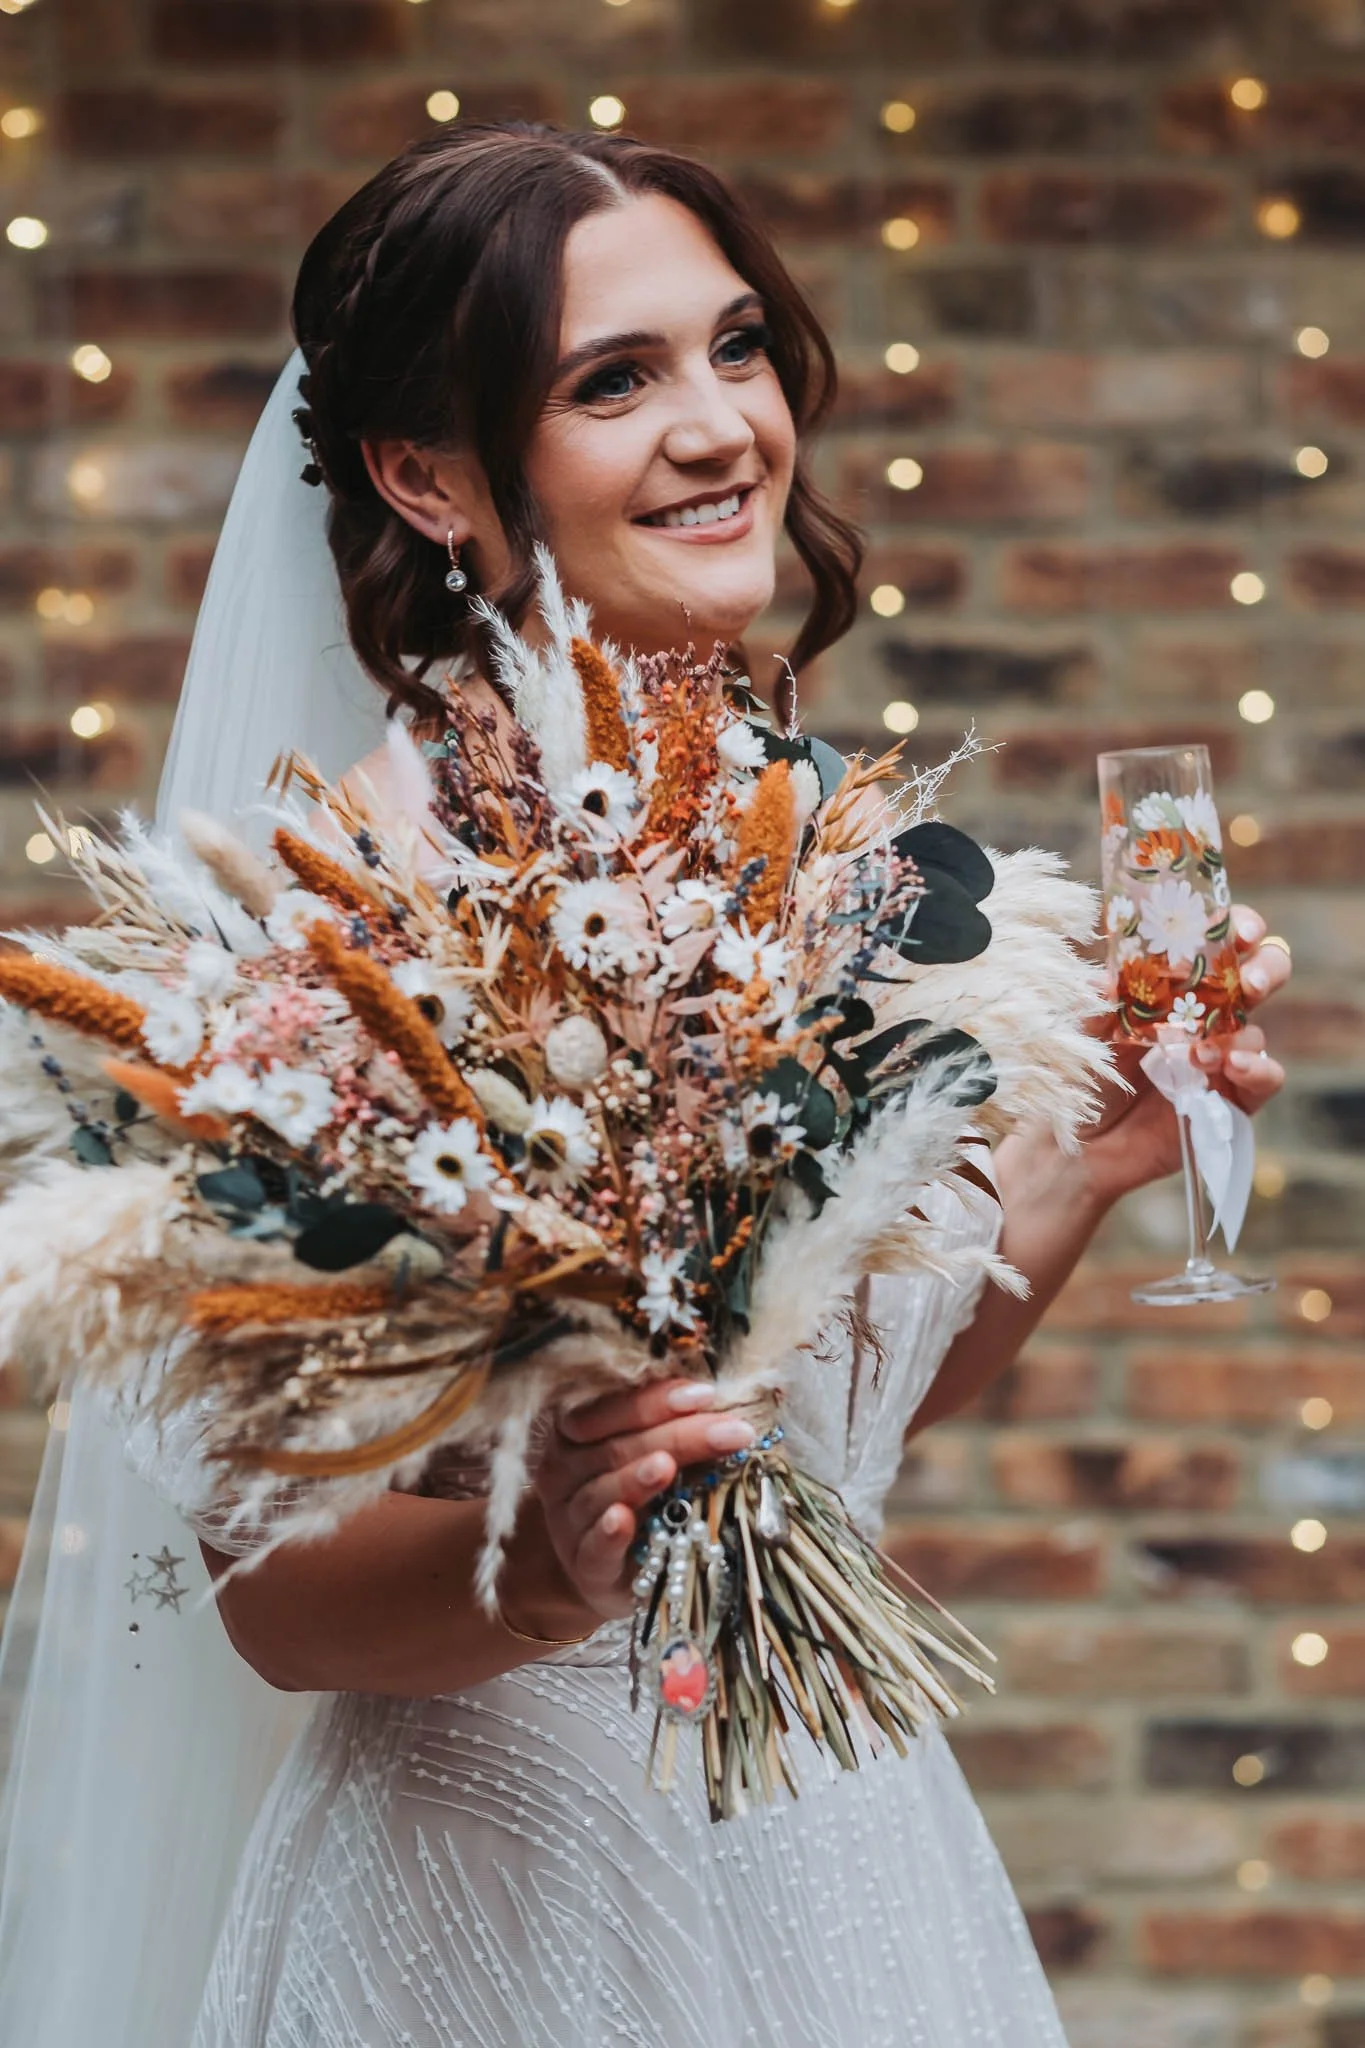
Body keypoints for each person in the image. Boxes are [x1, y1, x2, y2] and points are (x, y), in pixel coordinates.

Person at [0, 123, 1290, 2048]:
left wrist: (1074, 1186)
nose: (722, 428)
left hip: (841, 1847)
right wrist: (536, 1565)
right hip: (500, 1909)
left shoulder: (834, 862)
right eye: (617, 381)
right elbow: (275, 1606)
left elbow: (823, 1424)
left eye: (739, 348)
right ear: (426, 474)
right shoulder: (331, 942)